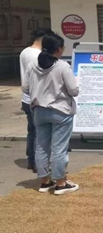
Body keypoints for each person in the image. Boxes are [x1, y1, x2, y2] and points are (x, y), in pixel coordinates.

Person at [22, 32, 80, 195]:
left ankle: (45, 181)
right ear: (59, 49)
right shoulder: (62, 66)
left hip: (39, 110)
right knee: (59, 148)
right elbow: (74, 90)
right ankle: (61, 183)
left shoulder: (32, 65)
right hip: (60, 111)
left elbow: (25, 88)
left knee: (41, 146)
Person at [19, 28, 54, 172]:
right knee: (40, 133)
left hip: (27, 98)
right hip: (37, 98)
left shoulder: (25, 52)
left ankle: (31, 160)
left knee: (32, 131)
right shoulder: (38, 55)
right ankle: (38, 163)